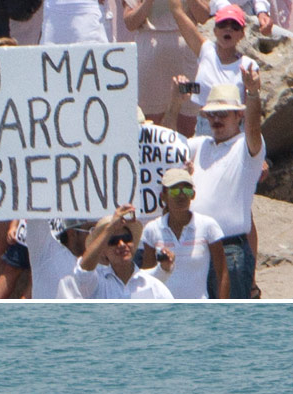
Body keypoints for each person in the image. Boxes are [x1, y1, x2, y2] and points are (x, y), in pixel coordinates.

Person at [165, 71, 265, 299]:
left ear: (239, 115)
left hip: (230, 250)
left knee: (230, 324)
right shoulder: (200, 145)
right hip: (195, 247)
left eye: (222, 114)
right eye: (211, 115)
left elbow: (253, 130)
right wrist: (174, 103)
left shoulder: (246, 148)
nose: (216, 120)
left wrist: (253, 94)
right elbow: (167, 144)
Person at [121, 0, 211, 126]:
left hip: (186, 54)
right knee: (151, 120)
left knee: (188, 114)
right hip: (151, 56)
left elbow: (203, 17)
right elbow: (130, 23)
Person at [141, 167, 229, 300]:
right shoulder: (151, 230)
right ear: (163, 196)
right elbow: (147, 277)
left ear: (193, 194)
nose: (181, 195)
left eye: (186, 190)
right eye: (175, 190)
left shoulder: (208, 226)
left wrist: (223, 310)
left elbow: (222, 273)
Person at [56, 206, 175, 301]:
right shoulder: (98, 285)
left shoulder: (155, 287)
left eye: (126, 238)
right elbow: (83, 271)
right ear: (102, 252)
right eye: (113, 241)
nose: (122, 244)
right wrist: (109, 228)